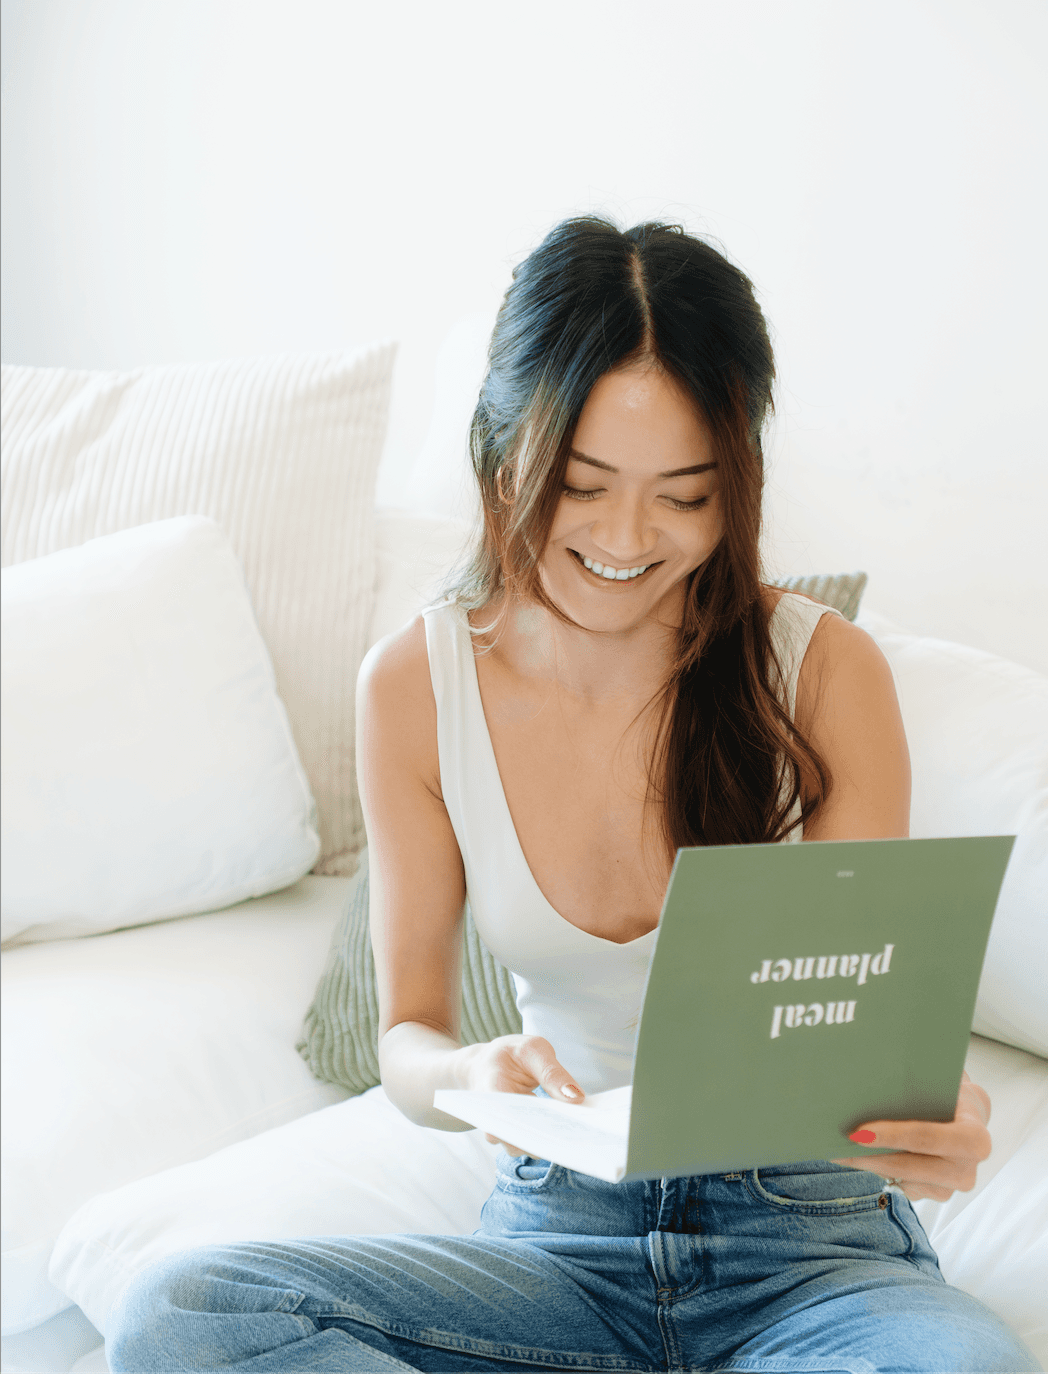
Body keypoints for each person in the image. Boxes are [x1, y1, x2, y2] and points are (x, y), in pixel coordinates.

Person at [107, 217, 1037, 1372]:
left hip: (809, 1256)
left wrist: (929, 1116)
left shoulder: (823, 672)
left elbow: (869, 1044)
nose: (625, 538)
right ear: (505, 454)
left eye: (685, 495)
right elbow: (407, 1039)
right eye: (583, 486)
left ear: (736, 481)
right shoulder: (414, 682)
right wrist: (465, 1077)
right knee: (188, 1313)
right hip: (562, 1249)